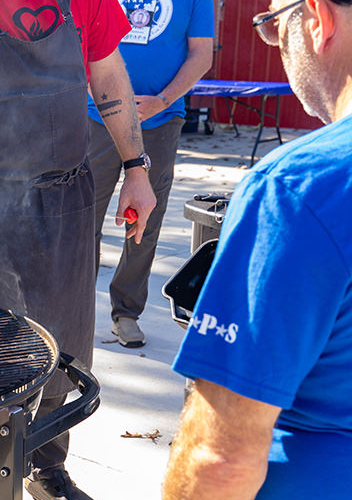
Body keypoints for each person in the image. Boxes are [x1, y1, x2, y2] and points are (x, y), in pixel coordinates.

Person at [0, 0, 157, 498]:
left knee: (64, 341)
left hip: (66, 194)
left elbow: (108, 75)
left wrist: (136, 167)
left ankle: (46, 469)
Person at [163, 0, 352, 498]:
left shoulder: (297, 188)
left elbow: (220, 460)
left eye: (273, 26)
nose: (277, 47)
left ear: (318, 19)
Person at [88, 0, 214, 348]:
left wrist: (162, 100)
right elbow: (80, 39)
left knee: (143, 221)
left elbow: (201, 55)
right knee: (83, 219)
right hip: (96, 114)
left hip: (160, 118)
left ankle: (126, 313)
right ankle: (75, 309)